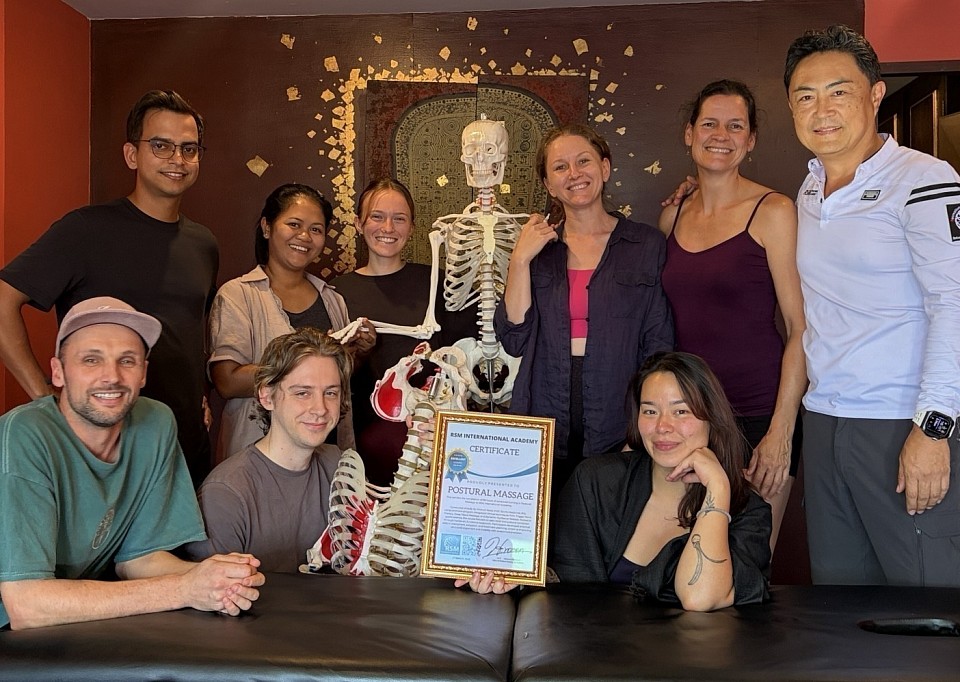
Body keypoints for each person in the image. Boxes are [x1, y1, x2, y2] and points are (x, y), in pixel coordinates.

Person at [784, 25, 960, 585]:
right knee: (838, 601)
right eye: (806, 97)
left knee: (926, 600)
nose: (822, 110)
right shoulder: (808, 189)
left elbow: (953, 303)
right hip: (825, 420)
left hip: (900, 423)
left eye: (839, 92)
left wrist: (934, 428)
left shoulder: (924, 179)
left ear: (875, 95)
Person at [0, 297, 264, 631]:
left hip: (72, 622)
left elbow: (139, 558)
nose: (111, 377)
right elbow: (26, 605)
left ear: (143, 373)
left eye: (127, 360)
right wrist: (184, 589)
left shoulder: (156, 422)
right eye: (91, 359)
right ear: (58, 372)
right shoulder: (24, 433)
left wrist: (219, 577)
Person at [0, 90, 218, 485]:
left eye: (189, 149)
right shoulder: (85, 230)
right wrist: (43, 398)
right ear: (132, 155)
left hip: (183, 444)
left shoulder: (204, 244)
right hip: (101, 446)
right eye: (161, 146)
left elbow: (187, 332)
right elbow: (3, 301)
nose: (177, 159)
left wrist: (198, 394)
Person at [461, 352, 771, 611]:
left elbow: (700, 598)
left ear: (712, 419)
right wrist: (510, 577)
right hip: (594, 651)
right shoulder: (597, 480)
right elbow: (568, 577)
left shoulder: (749, 511)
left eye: (681, 411)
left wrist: (717, 487)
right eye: (650, 411)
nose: (663, 426)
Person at [658, 80, 806, 549]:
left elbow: (800, 328)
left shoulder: (773, 211)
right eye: (709, 123)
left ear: (751, 139)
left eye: (735, 126)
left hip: (759, 414)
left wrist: (781, 431)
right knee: (688, 559)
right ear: (689, 133)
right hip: (691, 417)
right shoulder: (673, 215)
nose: (721, 135)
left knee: (750, 560)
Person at [494, 124, 674, 495]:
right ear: (548, 184)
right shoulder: (538, 250)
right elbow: (514, 337)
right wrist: (519, 260)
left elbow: (658, 345)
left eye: (584, 161)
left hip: (617, 414)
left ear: (605, 168)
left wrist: (644, 425)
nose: (574, 173)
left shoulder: (645, 245)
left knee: (606, 520)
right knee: (547, 523)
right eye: (560, 167)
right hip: (544, 413)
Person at [207, 183, 369, 464]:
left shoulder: (332, 300)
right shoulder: (238, 295)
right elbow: (228, 381)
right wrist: (306, 364)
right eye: (294, 224)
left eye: (316, 229)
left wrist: (358, 353)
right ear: (267, 227)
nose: (304, 236)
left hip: (326, 454)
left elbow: (337, 378)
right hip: (258, 455)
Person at [333, 179, 475, 486]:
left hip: (430, 445)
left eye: (399, 219)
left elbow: (467, 359)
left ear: (411, 227)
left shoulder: (438, 283)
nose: (388, 227)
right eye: (377, 216)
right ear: (358, 223)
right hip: (359, 446)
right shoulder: (337, 293)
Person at [188, 328, 349, 573]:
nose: (320, 408)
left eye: (330, 393)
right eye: (302, 393)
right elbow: (212, 591)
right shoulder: (225, 494)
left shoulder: (339, 465)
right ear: (266, 396)